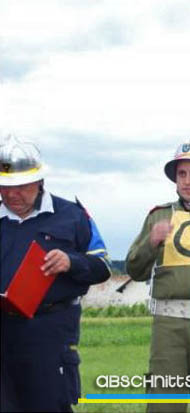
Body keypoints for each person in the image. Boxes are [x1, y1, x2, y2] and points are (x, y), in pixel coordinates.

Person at [0, 135, 111, 412]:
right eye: (4, 187)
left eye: (21, 187)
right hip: (2, 332)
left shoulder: (72, 215)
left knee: (50, 405)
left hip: (50, 332)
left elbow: (103, 267)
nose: (12, 195)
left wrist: (71, 262)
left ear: (39, 182)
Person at [126, 137, 190, 413]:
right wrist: (151, 243)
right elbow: (135, 270)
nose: (188, 181)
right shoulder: (158, 216)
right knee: (165, 403)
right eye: (182, 174)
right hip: (169, 326)